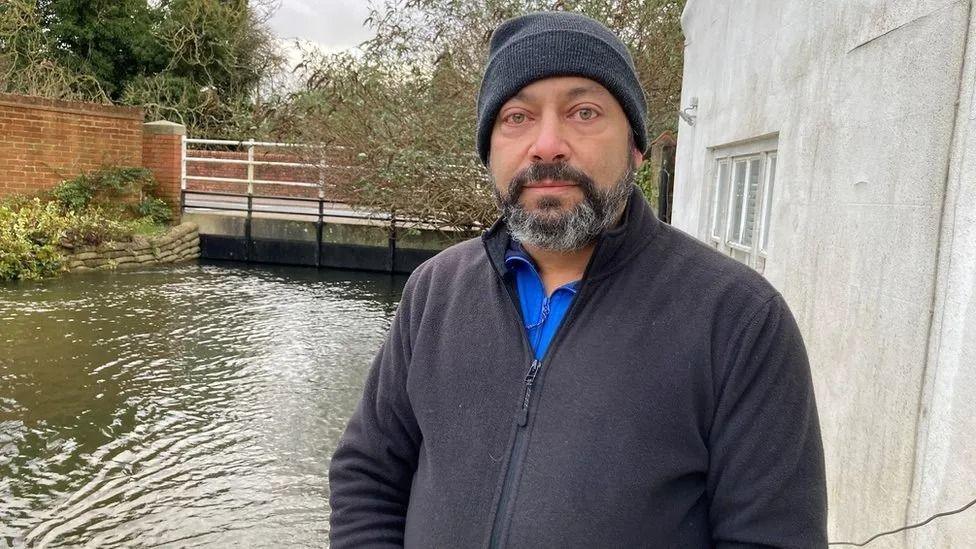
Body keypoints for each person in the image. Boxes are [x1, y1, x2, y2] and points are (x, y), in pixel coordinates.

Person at [329, 11, 827, 548]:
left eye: (583, 112)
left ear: (636, 147)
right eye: (517, 117)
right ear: (489, 150)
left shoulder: (738, 321)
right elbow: (367, 475)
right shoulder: (435, 292)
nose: (547, 145)